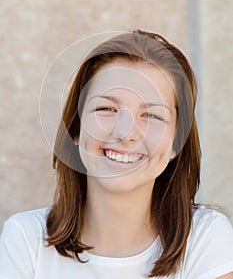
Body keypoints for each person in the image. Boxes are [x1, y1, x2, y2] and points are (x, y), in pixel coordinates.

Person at [0, 30, 233, 279]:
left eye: (152, 115)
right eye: (107, 108)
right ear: (77, 128)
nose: (126, 133)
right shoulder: (25, 239)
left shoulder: (205, 238)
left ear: (176, 142)